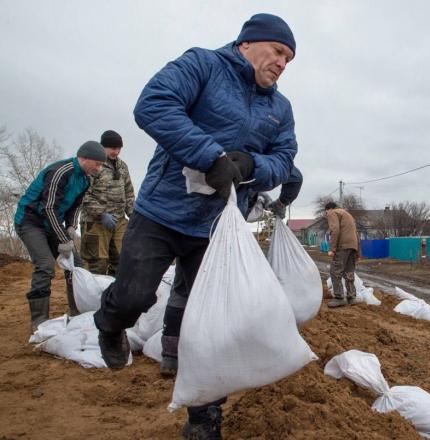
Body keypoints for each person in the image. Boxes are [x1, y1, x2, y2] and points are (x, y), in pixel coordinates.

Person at [92, 13, 298, 439]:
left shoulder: (280, 108)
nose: (282, 63)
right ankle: (110, 324)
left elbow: (285, 160)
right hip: (163, 211)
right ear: (248, 43)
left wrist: (250, 164)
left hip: (218, 227)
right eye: (278, 51)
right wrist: (211, 156)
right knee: (133, 295)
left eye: (289, 59)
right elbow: (153, 104)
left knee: (214, 325)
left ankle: (204, 419)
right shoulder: (203, 65)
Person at [161, 165, 303, 378]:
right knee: (225, 291)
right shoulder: (255, 159)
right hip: (222, 236)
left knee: (184, 289)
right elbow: (295, 177)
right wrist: (280, 202)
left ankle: (171, 356)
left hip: (191, 228)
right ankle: (218, 351)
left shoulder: (201, 152)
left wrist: (257, 196)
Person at [15, 141, 106, 330]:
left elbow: (76, 206)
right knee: (45, 265)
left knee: (77, 265)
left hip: (53, 223)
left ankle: (77, 311)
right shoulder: (61, 172)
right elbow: (48, 207)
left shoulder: (85, 180)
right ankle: (39, 320)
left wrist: (71, 226)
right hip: (31, 221)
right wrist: (63, 239)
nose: (98, 168)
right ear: (85, 158)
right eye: (97, 163)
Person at [80, 130, 134, 275]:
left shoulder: (122, 166)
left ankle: (115, 296)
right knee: (97, 265)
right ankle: (94, 297)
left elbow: (129, 193)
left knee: (123, 261)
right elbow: (83, 195)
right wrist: (102, 213)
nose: (116, 152)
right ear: (103, 147)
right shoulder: (94, 165)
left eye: (118, 148)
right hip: (95, 222)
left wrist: (133, 216)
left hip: (119, 221)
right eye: (112, 148)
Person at [324, 201, 361, 308]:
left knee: (335, 271)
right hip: (353, 246)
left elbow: (335, 230)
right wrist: (358, 252)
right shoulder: (348, 215)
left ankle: (339, 298)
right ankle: (351, 297)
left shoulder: (332, 213)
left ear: (328, 209)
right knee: (349, 272)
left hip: (343, 246)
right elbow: (356, 234)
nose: (327, 215)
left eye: (326, 213)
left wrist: (332, 249)